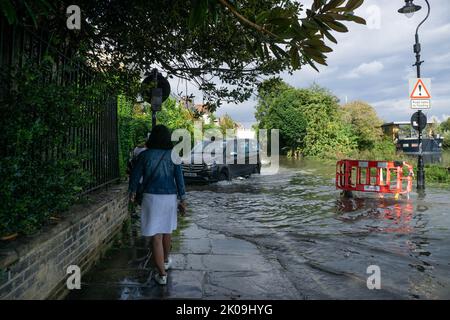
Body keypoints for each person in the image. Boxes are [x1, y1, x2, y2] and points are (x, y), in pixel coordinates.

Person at [128, 125, 187, 285]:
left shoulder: (145, 155)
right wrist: (183, 199)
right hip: (169, 197)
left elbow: (135, 177)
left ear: (152, 138)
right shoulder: (173, 155)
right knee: (167, 231)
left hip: (151, 197)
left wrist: (132, 192)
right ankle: (166, 261)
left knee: (156, 235)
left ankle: (161, 275)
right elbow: (180, 179)